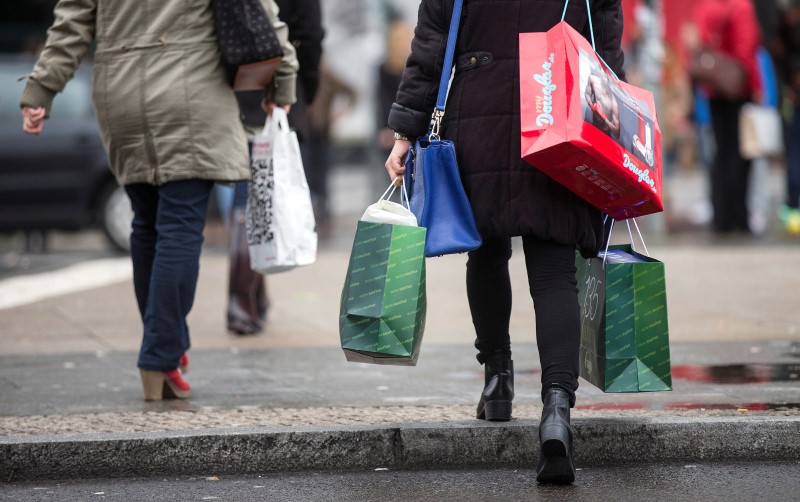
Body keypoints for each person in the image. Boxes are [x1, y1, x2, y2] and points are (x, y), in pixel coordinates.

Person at [384, 0, 625, 484]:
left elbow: (432, 44)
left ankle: (497, 381)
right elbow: (607, 51)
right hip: (559, 114)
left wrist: (405, 131)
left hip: (480, 115)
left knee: (487, 251)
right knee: (555, 272)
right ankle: (557, 408)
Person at [21, 0, 297, 401]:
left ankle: (166, 346)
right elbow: (261, 14)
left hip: (120, 98)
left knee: (146, 225)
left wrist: (41, 88)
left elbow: (72, 22)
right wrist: (282, 81)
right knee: (180, 226)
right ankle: (161, 354)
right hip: (193, 92)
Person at [226, 0, 312, 335]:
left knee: (244, 200)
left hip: (228, 94)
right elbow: (309, 33)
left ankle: (248, 301)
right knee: (252, 197)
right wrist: (303, 89)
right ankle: (243, 303)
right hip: (274, 93)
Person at [684, 0, 762, 234]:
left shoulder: (706, 6)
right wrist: (757, 86)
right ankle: (740, 217)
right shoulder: (741, 6)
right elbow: (746, 51)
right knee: (742, 154)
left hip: (715, 87)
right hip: (738, 86)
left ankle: (722, 218)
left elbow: (698, 41)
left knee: (721, 152)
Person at [771, 0, 800, 235]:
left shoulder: (785, 28)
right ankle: (792, 206)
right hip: (794, 99)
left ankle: (792, 205)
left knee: (794, 153)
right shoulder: (784, 29)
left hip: (793, 95)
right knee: (794, 153)